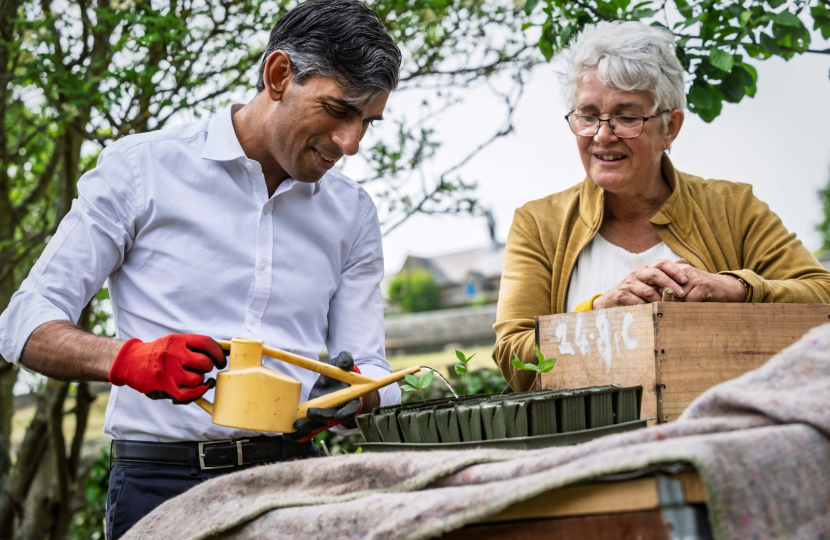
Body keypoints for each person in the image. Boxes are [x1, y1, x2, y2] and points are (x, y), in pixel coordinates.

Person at [0, 0, 402, 537]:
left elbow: (371, 364)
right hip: (160, 486)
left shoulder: (353, 212)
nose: (350, 143)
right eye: (338, 110)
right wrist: (128, 360)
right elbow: (23, 323)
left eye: (366, 123)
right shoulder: (140, 169)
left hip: (298, 482)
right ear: (279, 75)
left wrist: (355, 395)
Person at [493, 21, 830, 392]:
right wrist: (597, 315)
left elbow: (821, 294)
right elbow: (513, 358)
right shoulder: (539, 224)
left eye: (626, 116)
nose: (603, 135)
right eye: (588, 115)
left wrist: (736, 289)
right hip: (586, 443)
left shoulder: (733, 207)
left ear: (670, 127)